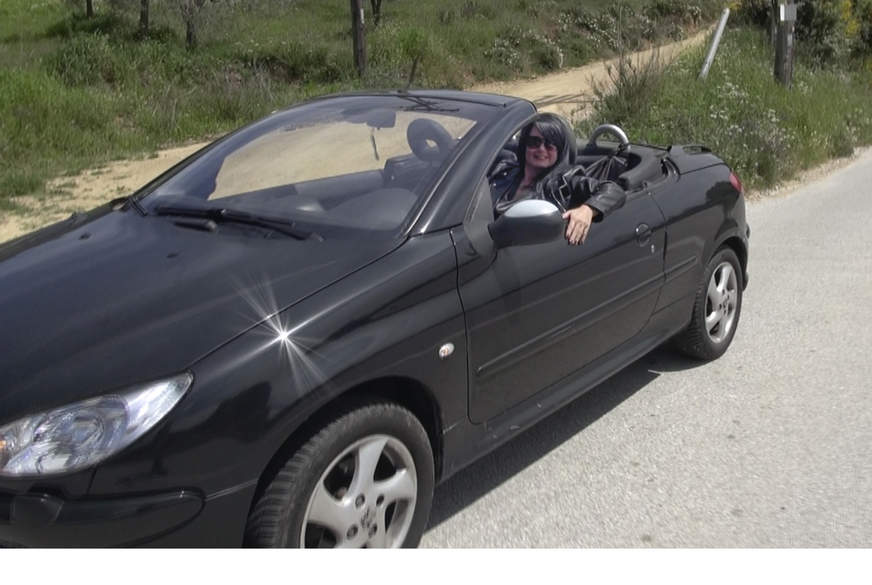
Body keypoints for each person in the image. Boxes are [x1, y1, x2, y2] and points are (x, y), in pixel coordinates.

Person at [489, 113, 626, 245]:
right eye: (534, 142)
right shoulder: (504, 170)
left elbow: (614, 190)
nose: (541, 149)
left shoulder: (565, 183)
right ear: (524, 144)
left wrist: (588, 210)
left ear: (560, 149)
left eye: (550, 144)